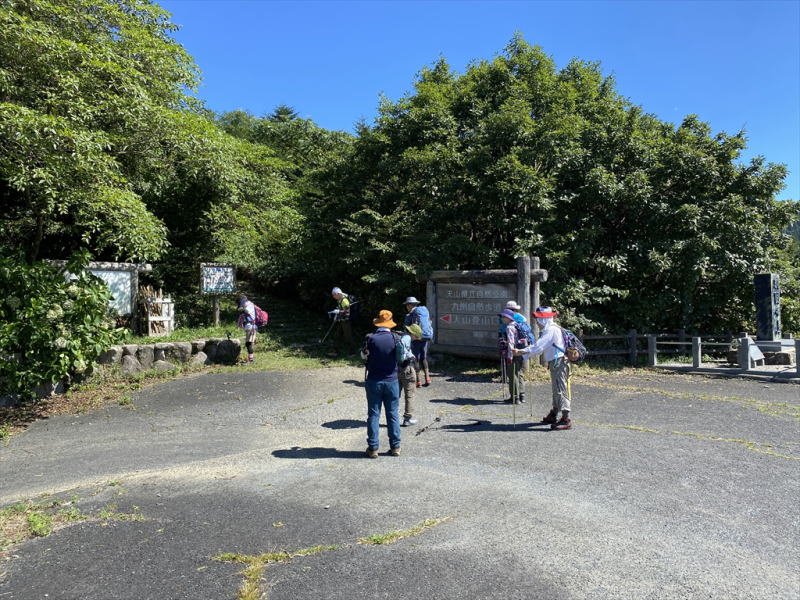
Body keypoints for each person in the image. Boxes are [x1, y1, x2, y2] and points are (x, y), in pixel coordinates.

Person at [512, 306, 572, 430]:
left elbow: (538, 347)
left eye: (538, 319)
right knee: (556, 389)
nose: (537, 322)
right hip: (557, 361)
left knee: (560, 389)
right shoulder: (552, 328)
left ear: (544, 319)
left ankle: (566, 418)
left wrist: (520, 351)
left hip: (559, 362)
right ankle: (554, 413)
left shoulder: (551, 330)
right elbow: (540, 348)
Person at [360, 310, 402, 457]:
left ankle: (373, 448)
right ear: (390, 323)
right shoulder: (396, 338)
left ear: (378, 322)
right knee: (393, 414)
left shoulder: (370, 338)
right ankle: (395, 447)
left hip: (374, 380)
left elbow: (363, 356)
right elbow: (401, 358)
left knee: (373, 414)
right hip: (392, 381)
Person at [403, 296, 433, 387]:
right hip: (425, 337)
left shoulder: (409, 315)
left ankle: (418, 381)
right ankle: (427, 378)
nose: (406, 307)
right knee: (423, 357)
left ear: (409, 305)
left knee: (416, 358)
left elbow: (406, 328)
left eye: (407, 305)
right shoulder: (424, 311)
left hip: (415, 338)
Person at [498, 308, 526, 404]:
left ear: (508, 317)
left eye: (503, 317)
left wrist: (510, 356)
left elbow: (511, 343)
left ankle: (514, 397)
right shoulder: (517, 325)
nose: (502, 318)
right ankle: (522, 395)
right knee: (519, 373)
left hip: (513, 353)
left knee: (512, 375)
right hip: (520, 352)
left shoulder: (509, 327)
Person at [398, 324, 422, 427]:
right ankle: (407, 419)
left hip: (397, 369)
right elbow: (404, 351)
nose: (415, 339)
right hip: (406, 368)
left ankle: (393, 418)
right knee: (409, 395)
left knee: (396, 395)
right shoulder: (407, 338)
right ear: (413, 333)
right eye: (416, 337)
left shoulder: (401, 336)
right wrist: (410, 357)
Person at [237, 296, 257, 363]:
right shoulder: (251, 305)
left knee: (248, 343)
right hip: (252, 326)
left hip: (250, 327)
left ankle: (251, 360)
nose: (242, 306)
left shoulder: (248, 306)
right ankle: (251, 359)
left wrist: (244, 309)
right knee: (249, 343)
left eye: (242, 304)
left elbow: (248, 311)